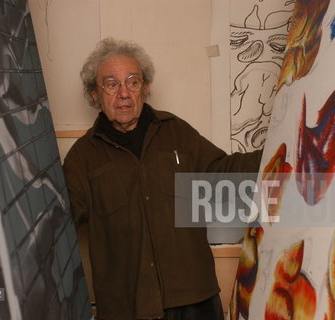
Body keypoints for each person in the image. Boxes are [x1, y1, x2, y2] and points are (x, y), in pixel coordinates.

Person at [63, 38, 263, 320]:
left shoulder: (175, 131)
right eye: (111, 84)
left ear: (144, 88)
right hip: (126, 309)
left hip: (195, 300)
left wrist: (278, 149)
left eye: (132, 81)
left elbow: (221, 171)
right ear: (94, 94)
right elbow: (58, 221)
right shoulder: (82, 157)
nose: (123, 93)